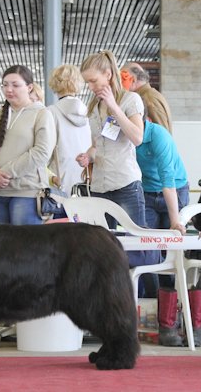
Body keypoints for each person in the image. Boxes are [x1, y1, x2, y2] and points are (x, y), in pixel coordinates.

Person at [75, 50, 149, 267]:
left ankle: (146, 297)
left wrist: (114, 107)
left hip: (125, 183)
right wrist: (88, 155)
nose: (90, 86)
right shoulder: (93, 106)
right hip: (99, 186)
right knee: (100, 249)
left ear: (108, 74)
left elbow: (137, 137)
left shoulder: (131, 99)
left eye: (93, 81)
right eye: (87, 82)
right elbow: (99, 144)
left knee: (137, 248)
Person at [0, 65, 55, 225]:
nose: (9, 89)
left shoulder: (42, 114)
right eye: (5, 84)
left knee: (25, 248)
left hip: (27, 192)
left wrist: (4, 173)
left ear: (29, 87)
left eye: (15, 85)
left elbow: (42, 152)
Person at [46, 64, 92, 196]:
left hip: (58, 180)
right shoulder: (88, 112)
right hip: (84, 179)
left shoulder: (50, 112)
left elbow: (45, 149)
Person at [122, 62, 173, 133]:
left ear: (133, 79)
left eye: (123, 79)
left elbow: (161, 133)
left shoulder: (148, 99)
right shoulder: (149, 95)